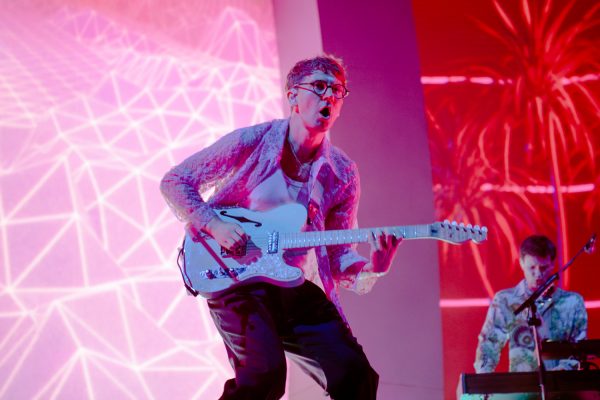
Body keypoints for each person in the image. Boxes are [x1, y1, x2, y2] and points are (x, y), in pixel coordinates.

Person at [160, 55, 402, 399]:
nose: (329, 97)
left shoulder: (343, 173)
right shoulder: (253, 141)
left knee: (355, 375)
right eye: (319, 86)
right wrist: (214, 225)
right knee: (264, 378)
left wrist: (373, 268)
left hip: (293, 282)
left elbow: (338, 257)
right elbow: (176, 181)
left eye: (337, 91)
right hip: (237, 278)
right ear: (292, 95)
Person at [474, 234, 588, 373]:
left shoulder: (572, 302)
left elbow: (580, 348)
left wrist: (562, 371)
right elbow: (489, 344)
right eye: (532, 267)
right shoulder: (505, 300)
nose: (538, 274)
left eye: (543, 267)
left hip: (562, 383)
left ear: (553, 263)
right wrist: (483, 378)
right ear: (521, 263)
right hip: (521, 384)